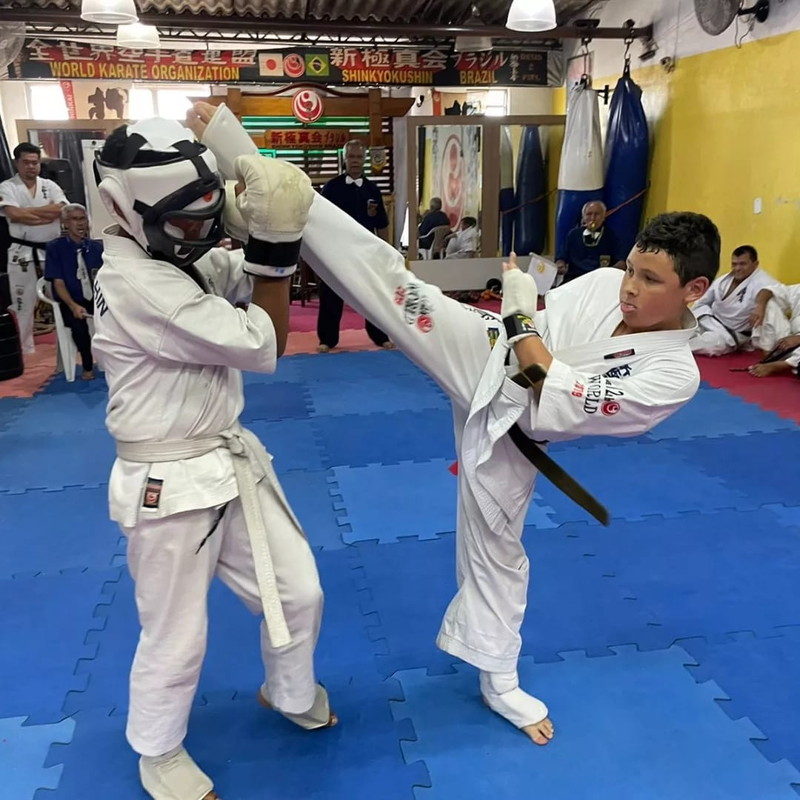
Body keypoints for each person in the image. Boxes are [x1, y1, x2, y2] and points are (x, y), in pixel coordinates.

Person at [191, 99, 720, 748]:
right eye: (632, 268)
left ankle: (499, 681)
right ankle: (247, 158)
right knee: (385, 278)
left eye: (651, 280)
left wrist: (520, 307)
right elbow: (528, 347)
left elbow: (545, 378)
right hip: (483, 351)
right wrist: (520, 321)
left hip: (516, 432)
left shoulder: (673, 375)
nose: (629, 287)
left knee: (500, 556)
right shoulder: (604, 282)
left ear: (694, 290)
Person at [91, 116, 334, 800]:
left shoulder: (169, 256)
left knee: (299, 592)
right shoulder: (139, 284)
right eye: (183, 222)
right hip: (166, 483)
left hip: (228, 466)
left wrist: (252, 220)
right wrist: (275, 246)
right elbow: (265, 341)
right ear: (122, 207)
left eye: (204, 219)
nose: (196, 236)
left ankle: (288, 691)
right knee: (177, 632)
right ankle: (158, 751)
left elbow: (230, 271)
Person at [316, 138, 394, 353]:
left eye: (359, 156)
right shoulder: (332, 187)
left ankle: (380, 335)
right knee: (331, 294)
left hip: (366, 251)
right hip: (337, 250)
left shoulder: (372, 189)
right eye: (351, 156)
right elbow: (320, 220)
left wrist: (386, 251)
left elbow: (382, 223)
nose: (355, 161)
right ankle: (327, 339)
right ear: (345, 159)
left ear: (365, 159)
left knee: (373, 294)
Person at [0, 143, 67, 354]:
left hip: (51, 250)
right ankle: (24, 349)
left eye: (35, 162)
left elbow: (62, 210)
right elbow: (14, 214)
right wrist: (44, 214)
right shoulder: (7, 187)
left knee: (62, 298)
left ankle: (67, 344)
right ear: (16, 163)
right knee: (22, 302)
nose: (31, 166)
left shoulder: (50, 185)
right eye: (26, 162)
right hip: (21, 252)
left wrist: (28, 212)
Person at [44, 203, 103, 380]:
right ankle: (87, 366)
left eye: (83, 218)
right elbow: (58, 283)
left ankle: (115, 362)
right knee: (79, 326)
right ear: (65, 223)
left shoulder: (96, 247)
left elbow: (103, 278)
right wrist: (72, 305)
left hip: (94, 299)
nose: (81, 223)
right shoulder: (55, 247)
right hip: (70, 300)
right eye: (75, 219)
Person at [689, 245, 777, 357]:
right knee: (681, 329)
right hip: (708, 319)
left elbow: (774, 290)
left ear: (755, 264)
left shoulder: (763, 281)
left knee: (708, 344)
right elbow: (702, 301)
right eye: (734, 264)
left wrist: (761, 305)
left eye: (742, 264)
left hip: (728, 333)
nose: (737, 268)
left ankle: (677, 348)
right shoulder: (724, 280)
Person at [555, 200, 625, 282]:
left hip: (601, 280)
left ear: (604, 217)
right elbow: (561, 258)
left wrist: (610, 273)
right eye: (589, 214)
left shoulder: (612, 236)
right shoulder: (573, 234)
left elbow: (621, 262)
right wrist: (560, 265)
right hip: (575, 279)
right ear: (583, 217)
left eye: (597, 214)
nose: (592, 218)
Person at [747, 282, 800, 377]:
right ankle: (771, 353)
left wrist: (798, 339)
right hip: (787, 342)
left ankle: (778, 366)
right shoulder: (798, 290)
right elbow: (768, 290)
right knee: (769, 301)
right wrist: (760, 306)